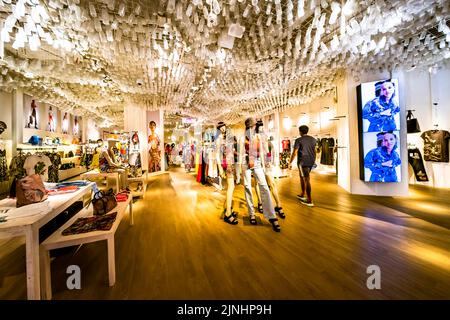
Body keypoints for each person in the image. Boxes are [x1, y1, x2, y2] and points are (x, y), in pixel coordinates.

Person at [240, 117, 281, 232]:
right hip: (246, 163)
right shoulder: (243, 138)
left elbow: (264, 152)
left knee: (264, 187)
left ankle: (272, 216)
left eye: (252, 126)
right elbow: (240, 153)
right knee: (248, 187)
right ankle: (251, 213)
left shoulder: (259, 136)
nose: (252, 128)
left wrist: (266, 164)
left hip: (257, 163)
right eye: (249, 126)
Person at [254, 120, 285, 219]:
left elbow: (270, 149)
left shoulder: (265, 136)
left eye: (262, 126)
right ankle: (259, 202)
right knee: (257, 183)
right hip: (257, 163)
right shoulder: (254, 137)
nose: (261, 128)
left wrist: (271, 162)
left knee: (272, 183)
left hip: (266, 163)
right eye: (259, 126)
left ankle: (278, 205)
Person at [216, 122, 238, 225]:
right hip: (226, 164)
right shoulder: (219, 139)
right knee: (231, 187)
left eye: (224, 126)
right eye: (221, 127)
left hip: (231, 162)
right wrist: (220, 168)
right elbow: (217, 154)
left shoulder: (227, 138)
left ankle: (228, 209)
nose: (223, 128)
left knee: (232, 187)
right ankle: (228, 213)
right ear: (219, 129)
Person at [289, 125, 316, 207]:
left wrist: (290, 162)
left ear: (300, 131)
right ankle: (302, 194)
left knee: (307, 179)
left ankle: (309, 200)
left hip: (303, 162)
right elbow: (315, 150)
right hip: (311, 161)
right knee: (302, 177)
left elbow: (294, 152)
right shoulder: (313, 139)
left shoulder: (298, 140)